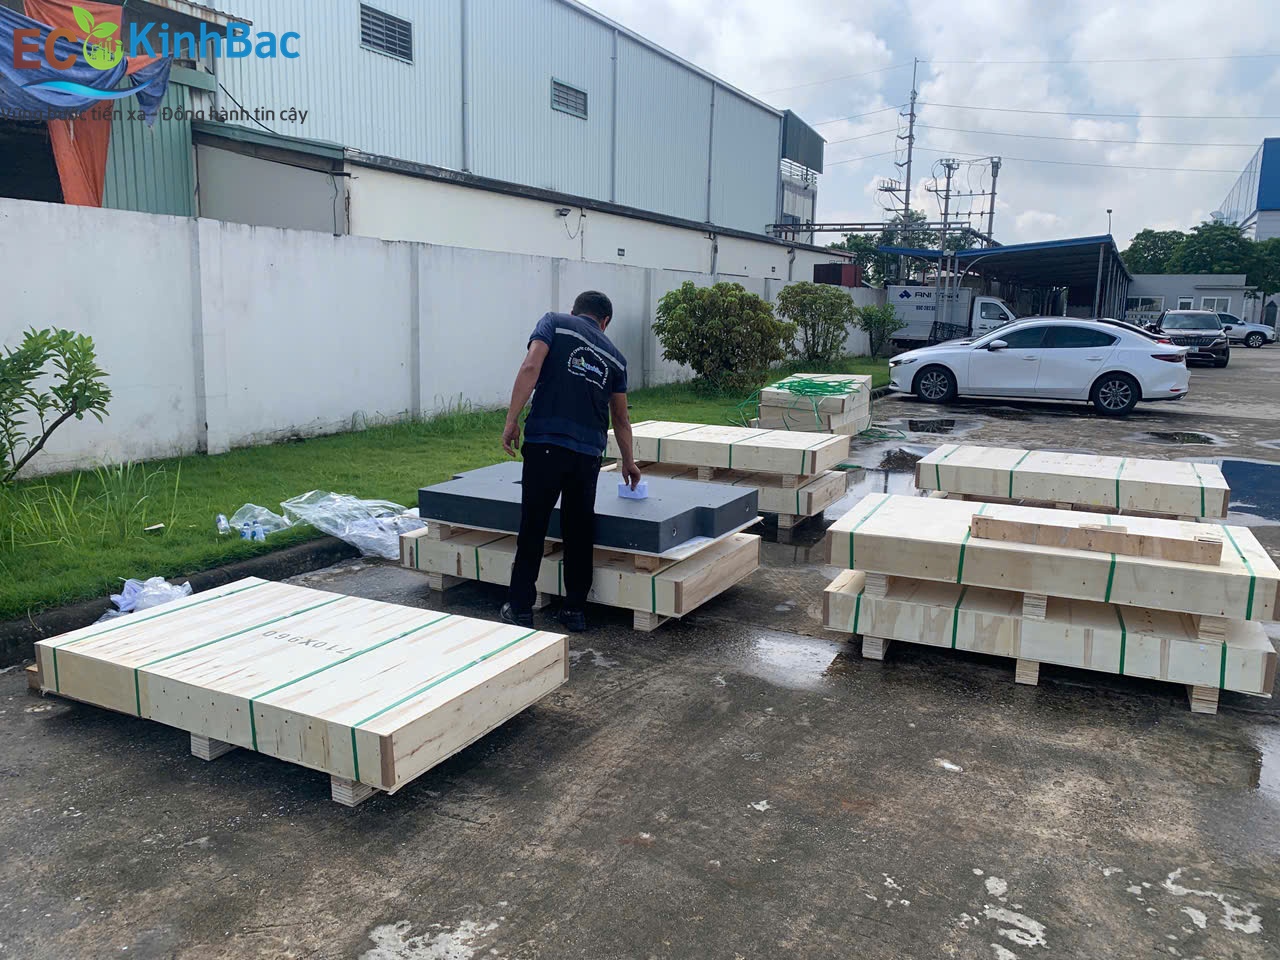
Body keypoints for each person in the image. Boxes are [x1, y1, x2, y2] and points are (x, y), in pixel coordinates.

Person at [500, 291, 641, 632]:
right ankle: (574, 611)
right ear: (605, 322)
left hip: (545, 444)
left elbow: (530, 366)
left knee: (533, 526)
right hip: (587, 455)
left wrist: (512, 419)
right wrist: (629, 461)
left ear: (575, 311)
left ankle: (520, 608)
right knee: (579, 531)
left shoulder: (554, 323)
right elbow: (621, 418)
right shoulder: (616, 358)